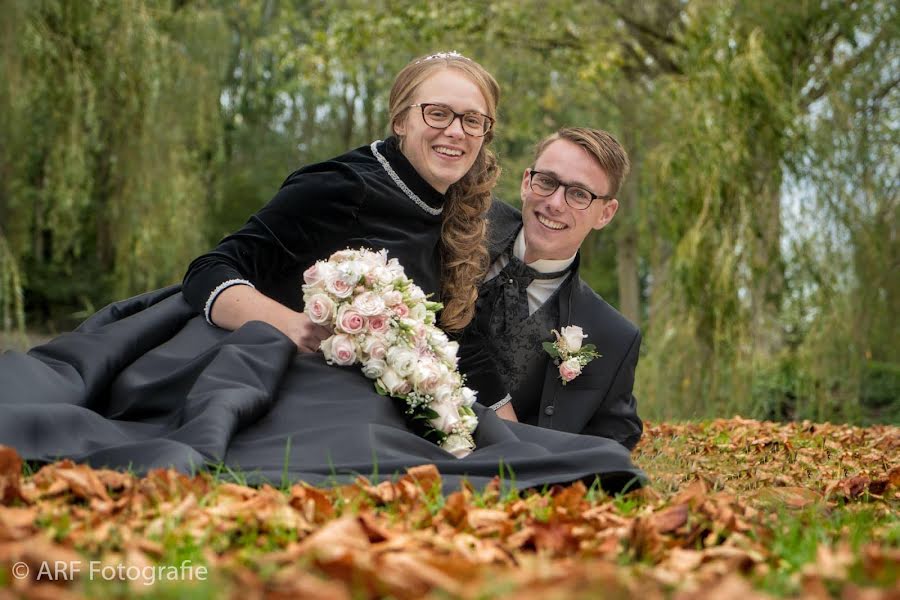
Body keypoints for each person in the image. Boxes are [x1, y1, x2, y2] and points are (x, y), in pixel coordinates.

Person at [0, 56, 644, 493]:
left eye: (472, 120)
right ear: (400, 118)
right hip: (253, 345)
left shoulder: (465, 206)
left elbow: (459, 333)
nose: (456, 132)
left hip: (349, 370)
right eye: (437, 114)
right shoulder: (340, 185)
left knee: (558, 458)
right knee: (352, 431)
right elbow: (211, 271)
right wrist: (294, 326)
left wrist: (503, 423)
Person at [463, 127, 643, 450]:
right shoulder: (463, 223)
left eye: (578, 194)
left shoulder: (614, 337)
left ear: (605, 213)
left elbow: (614, 443)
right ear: (525, 182)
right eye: (547, 182)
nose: (555, 204)